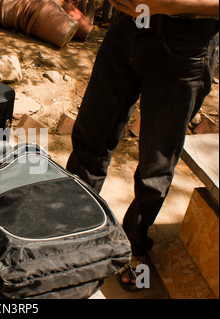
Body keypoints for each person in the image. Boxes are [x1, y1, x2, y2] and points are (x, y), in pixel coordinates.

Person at [66, 0, 219, 289]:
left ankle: (134, 245)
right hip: (128, 26)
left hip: (185, 42)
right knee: (90, 138)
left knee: (155, 164)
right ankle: (75, 227)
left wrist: (174, 5)